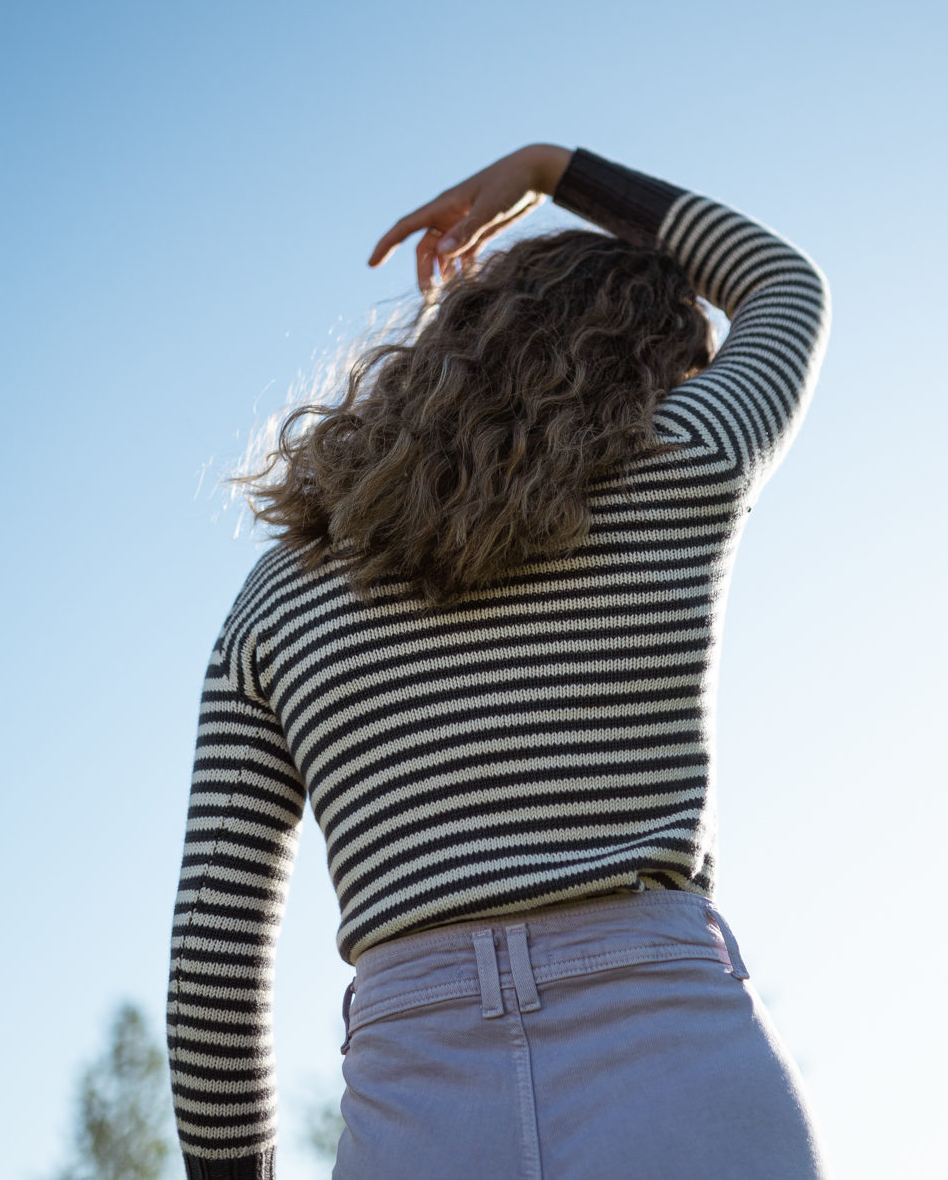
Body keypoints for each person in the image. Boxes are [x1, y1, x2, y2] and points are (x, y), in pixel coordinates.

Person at [166, 143, 831, 1180]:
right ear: (656, 372)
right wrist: (552, 168)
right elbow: (783, 285)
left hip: (413, 1099)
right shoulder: (679, 463)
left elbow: (212, 965)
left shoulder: (276, 600)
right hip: (672, 1051)